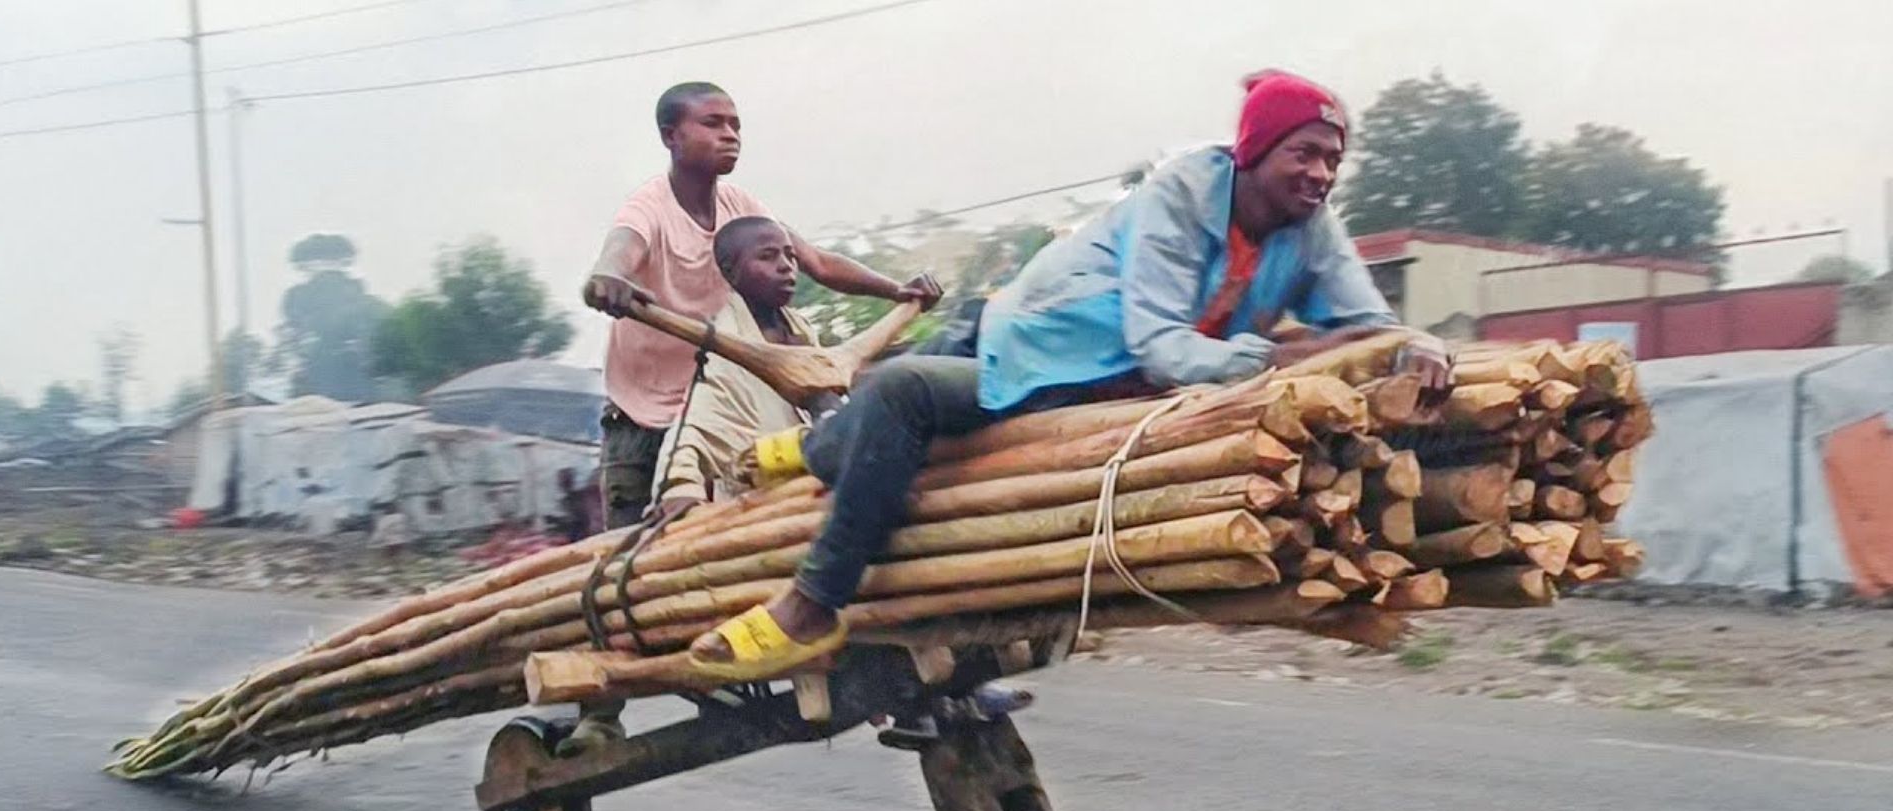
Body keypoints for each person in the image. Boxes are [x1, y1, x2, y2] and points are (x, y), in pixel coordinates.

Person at [684, 70, 1450, 681]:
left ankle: (808, 448)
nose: (1320, 174)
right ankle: (815, 598)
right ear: (1253, 152)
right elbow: (1159, 342)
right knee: (899, 394)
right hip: (1049, 352)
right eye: (1304, 153)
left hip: (1127, 384)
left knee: (902, 390)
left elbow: (1368, 321)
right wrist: (1278, 357)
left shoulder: (1310, 229)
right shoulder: (1184, 191)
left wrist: (1418, 345)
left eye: (1332, 160)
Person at [582, 81, 940, 530]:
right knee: (636, 553)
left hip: (721, 399)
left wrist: (896, 292)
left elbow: (819, 263)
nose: (730, 134)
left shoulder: (742, 208)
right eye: (713, 124)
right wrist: (608, 278)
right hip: (644, 419)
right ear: (671, 136)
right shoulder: (649, 208)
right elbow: (620, 250)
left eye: (735, 125)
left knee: (729, 537)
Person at [649, 215, 820, 517]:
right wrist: (679, 488)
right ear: (730, 272)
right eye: (767, 256)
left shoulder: (803, 331)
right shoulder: (728, 344)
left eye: (790, 255)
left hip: (816, 492)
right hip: (759, 512)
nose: (786, 266)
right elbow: (695, 428)